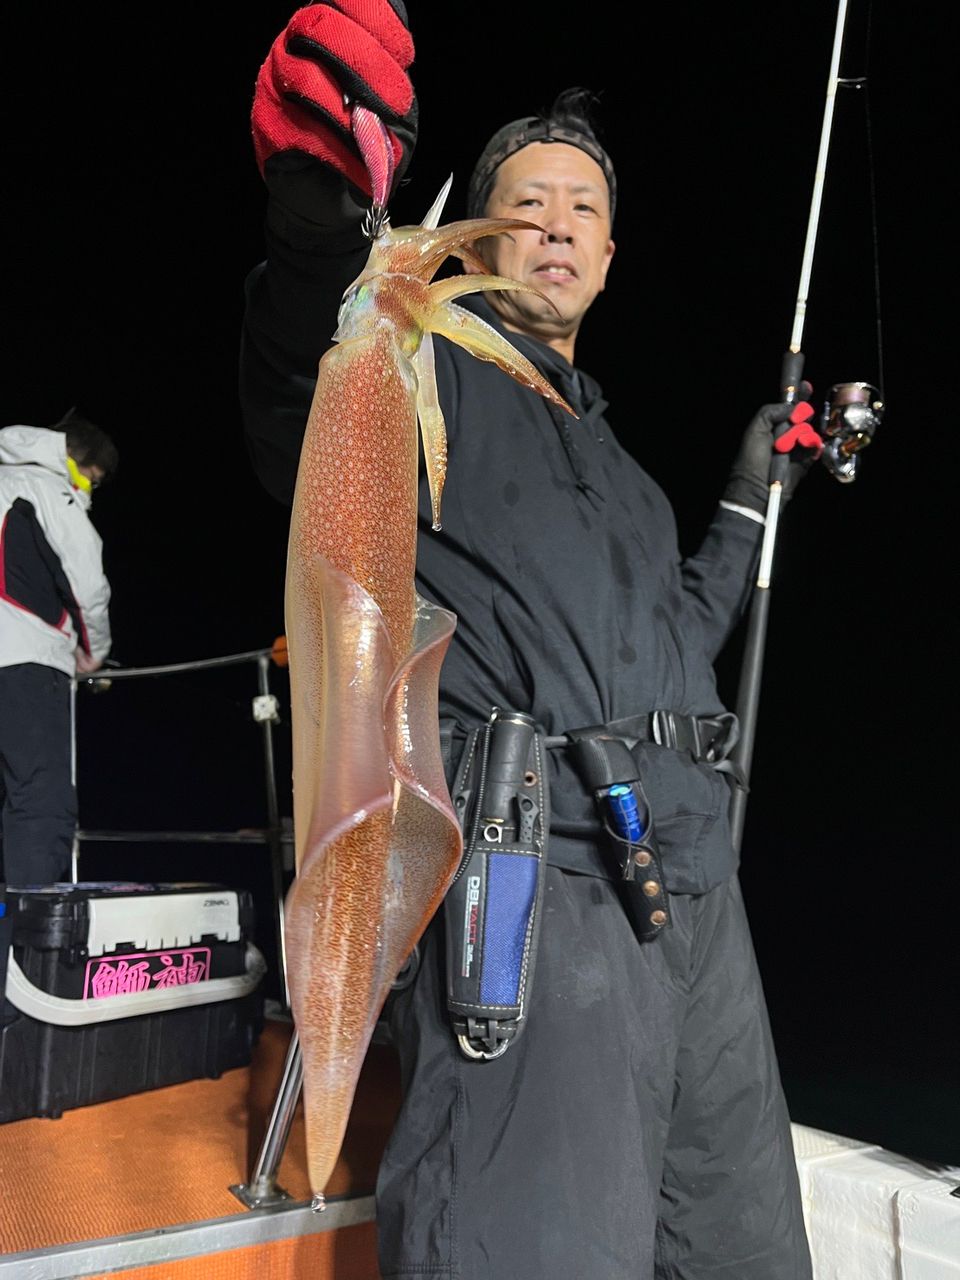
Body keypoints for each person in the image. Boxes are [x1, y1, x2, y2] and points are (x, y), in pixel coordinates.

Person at [241, 5, 817, 1276]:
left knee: (750, 1253)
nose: (556, 222)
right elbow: (306, 379)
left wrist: (744, 489)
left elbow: (682, 640)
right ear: (482, 236)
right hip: (541, 885)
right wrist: (315, 214)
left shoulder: (622, 468)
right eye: (527, 202)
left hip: (698, 910)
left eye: (583, 208)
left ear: (611, 253)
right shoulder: (417, 371)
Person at [0, 412, 117, 1013]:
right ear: (78, 461)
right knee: (40, 809)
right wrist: (92, 655)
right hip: (24, 663)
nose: (91, 490)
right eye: (93, 478)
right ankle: (27, 986)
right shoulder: (50, 487)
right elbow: (88, 584)